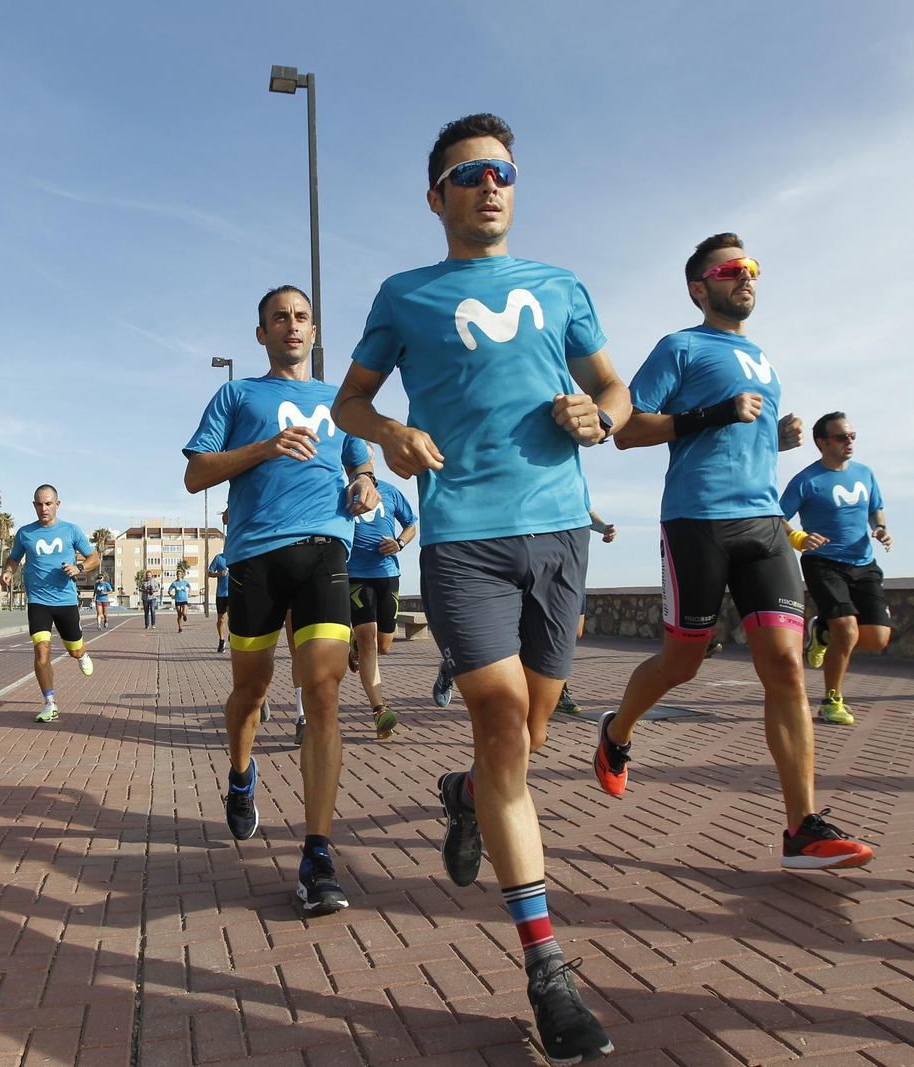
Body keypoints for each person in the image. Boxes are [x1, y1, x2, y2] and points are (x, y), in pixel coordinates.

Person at [332, 114, 626, 1064]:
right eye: (468, 175)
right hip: (464, 535)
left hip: (559, 530)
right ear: (437, 197)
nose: (488, 185)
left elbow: (615, 393)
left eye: (501, 171)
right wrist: (390, 436)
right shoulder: (405, 293)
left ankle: (464, 793)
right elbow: (350, 400)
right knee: (502, 721)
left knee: (526, 738)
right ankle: (549, 974)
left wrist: (599, 414)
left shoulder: (560, 285)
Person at [605, 232, 874, 875]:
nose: (745, 277)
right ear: (701, 287)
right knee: (682, 664)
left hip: (766, 525)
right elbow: (627, 430)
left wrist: (775, 441)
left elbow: (740, 442)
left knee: (784, 667)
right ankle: (616, 732)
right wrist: (718, 411)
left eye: (751, 268)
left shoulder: (763, 359)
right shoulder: (681, 346)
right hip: (697, 523)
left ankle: (801, 829)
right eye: (730, 269)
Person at [184, 284, 378, 916]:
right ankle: (242, 775)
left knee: (322, 691)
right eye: (279, 319)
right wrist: (265, 447)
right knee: (252, 691)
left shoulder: (339, 402)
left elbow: (361, 463)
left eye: (301, 317)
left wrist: (366, 486)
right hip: (254, 557)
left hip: (326, 548)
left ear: (314, 331)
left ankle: (317, 854)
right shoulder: (237, 396)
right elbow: (195, 474)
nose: (292, 327)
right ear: (261, 334)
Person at [780, 413, 893, 725]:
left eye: (852, 436)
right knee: (848, 629)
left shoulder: (865, 473)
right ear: (822, 442)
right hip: (824, 562)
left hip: (864, 563)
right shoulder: (807, 480)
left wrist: (880, 528)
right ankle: (832, 700)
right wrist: (798, 537)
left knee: (877, 639)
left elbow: (875, 509)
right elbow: (775, 516)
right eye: (842, 437)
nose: (850, 442)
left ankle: (822, 629)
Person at [1, 485, 99, 722]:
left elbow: (94, 557)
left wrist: (79, 568)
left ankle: (83, 654)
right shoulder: (25, 533)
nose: (43, 508)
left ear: (57, 504)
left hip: (65, 601)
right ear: (34, 505)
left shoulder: (71, 530)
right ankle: (50, 702)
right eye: (39, 504)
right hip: (38, 600)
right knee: (41, 650)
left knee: (74, 650)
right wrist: (7, 572)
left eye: (48, 503)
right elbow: (14, 558)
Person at [346, 470, 417, 739]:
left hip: (387, 574)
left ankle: (354, 649)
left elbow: (411, 524)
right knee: (369, 640)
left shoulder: (391, 491)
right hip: (354, 574)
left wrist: (399, 543)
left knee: (383, 645)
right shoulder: (340, 494)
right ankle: (379, 710)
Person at [556, 505, 616, 717]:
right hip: (550, 569)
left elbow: (584, 508)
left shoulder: (573, 483)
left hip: (576, 572)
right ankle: (558, 691)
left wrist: (603, 527)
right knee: (555, 635)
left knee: (575, 633)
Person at [210, 517, 231, 653]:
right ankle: (221, 640)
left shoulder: (238, 556)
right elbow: (209, 572)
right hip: (221, 593)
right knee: (221, 618)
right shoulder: (219, 558)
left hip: (235, 592)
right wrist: (219, 574)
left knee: (234, 618)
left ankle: (232, 635)